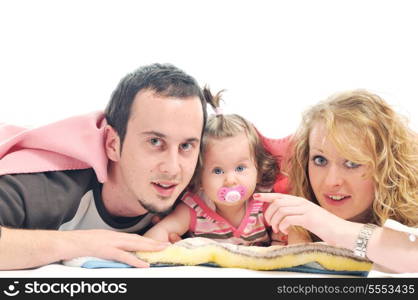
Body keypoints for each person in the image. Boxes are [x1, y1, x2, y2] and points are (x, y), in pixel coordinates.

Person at [0, 63, 207, 270]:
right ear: (112, 144)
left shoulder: (197, 195)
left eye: (186, 146)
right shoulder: (48, 185)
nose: (172, 169)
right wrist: (81, 243)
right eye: (154, 142)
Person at [256, 89, 418, 273]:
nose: (331, 181)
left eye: (351, 163)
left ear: (386, 166)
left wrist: (331, 226)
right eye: (320, 160)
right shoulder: (281, 208)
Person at [145, 88, 309, 246]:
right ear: (199, 178)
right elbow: (160, 233)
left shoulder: (263, 205)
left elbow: (296, 230)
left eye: (240, 168)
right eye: (217, 171)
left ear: (258, 171)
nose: (230, 180)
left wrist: (278, 245)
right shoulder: (194, 210)